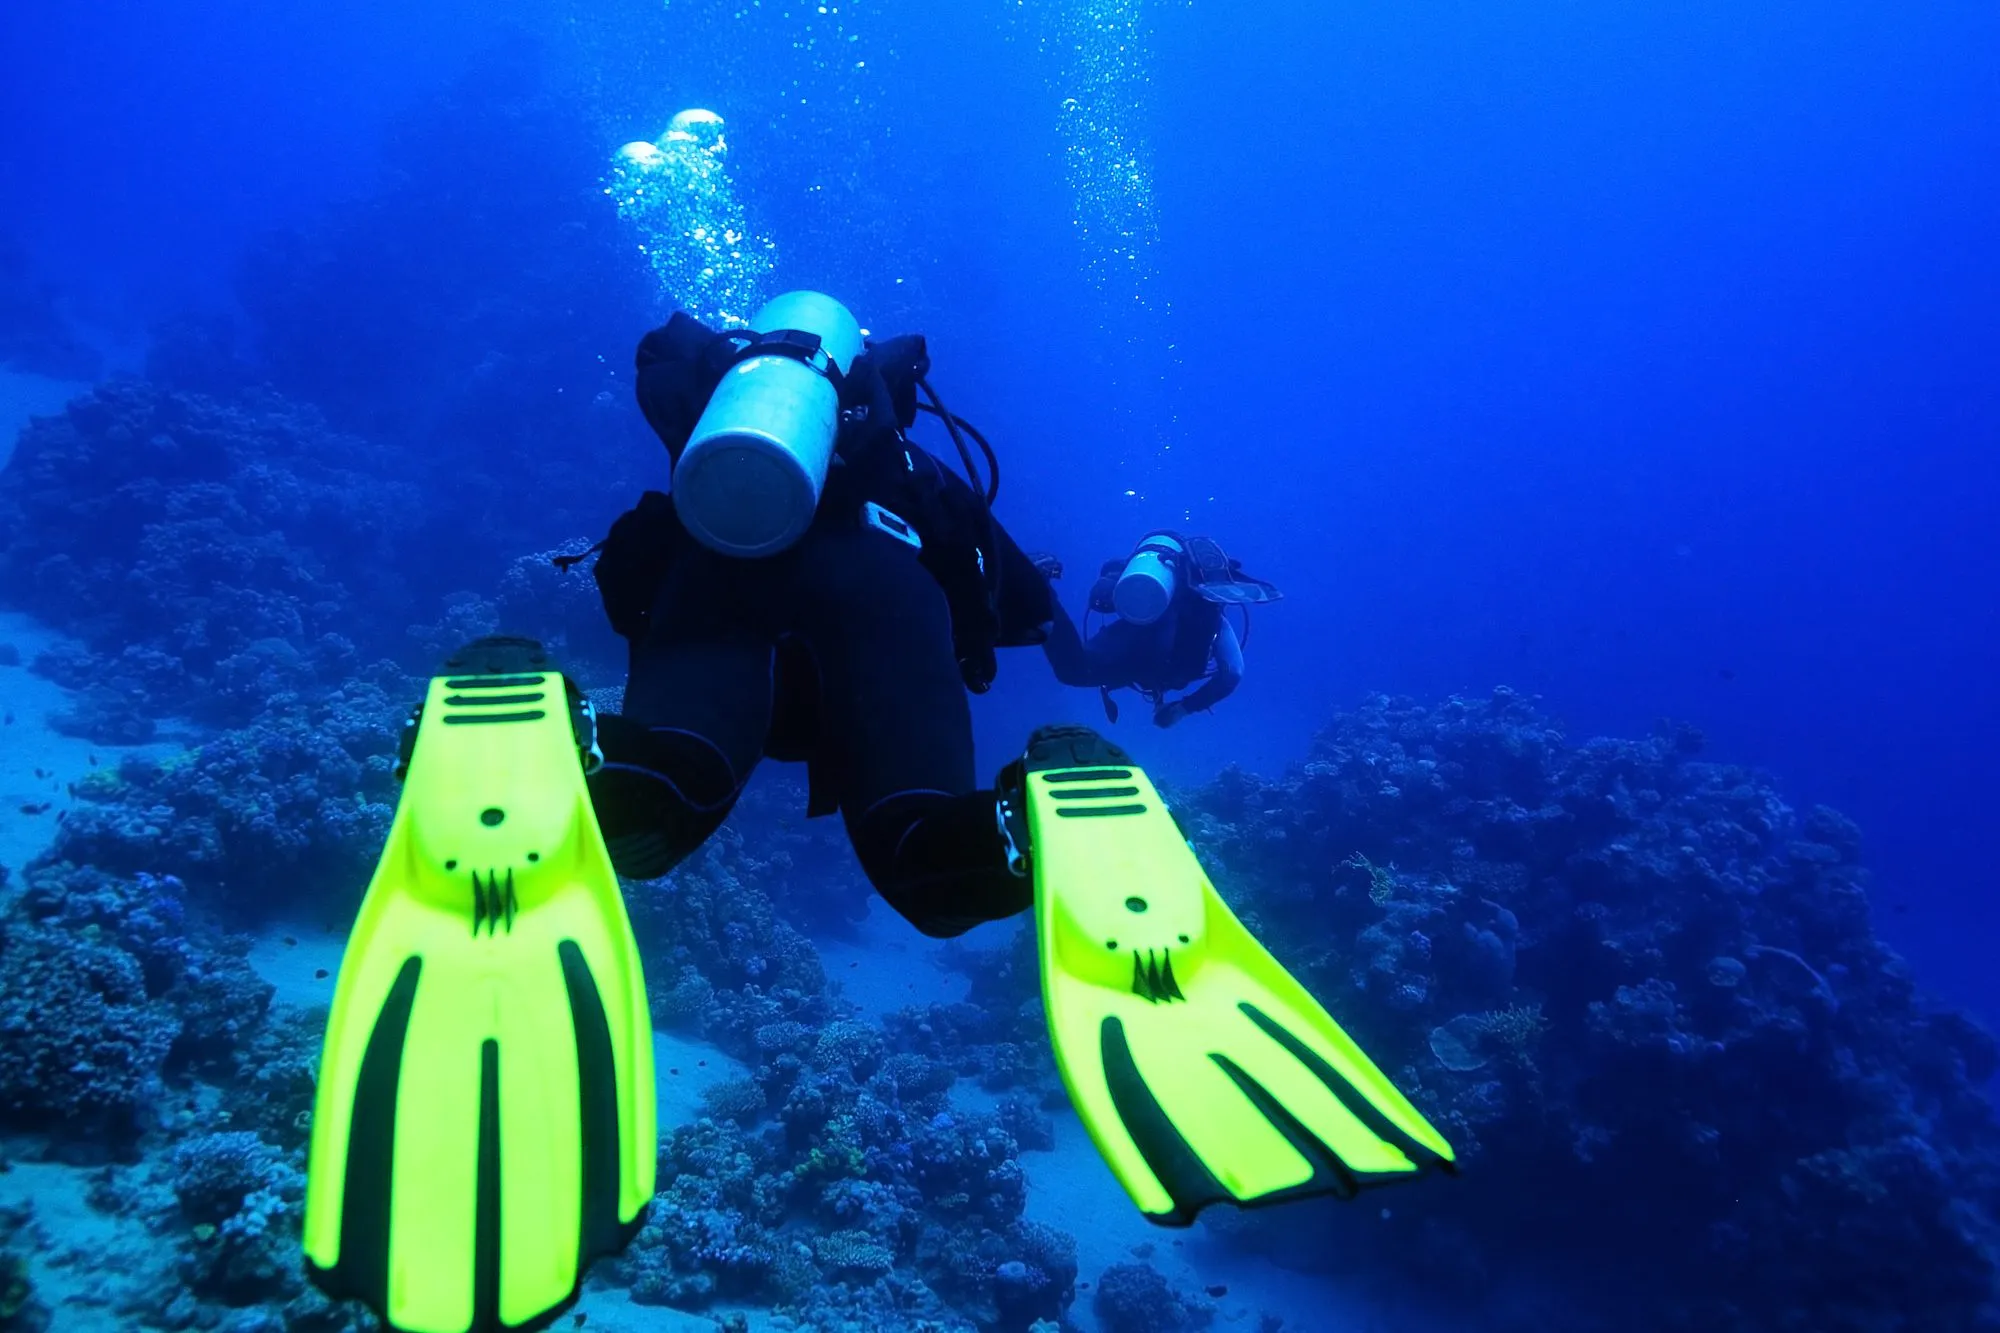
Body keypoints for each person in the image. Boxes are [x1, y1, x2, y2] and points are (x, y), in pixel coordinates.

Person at [297, 297, 1451, 1333]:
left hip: (713, 575)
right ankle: (1043, 813)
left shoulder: (722, 444)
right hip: (885, 581)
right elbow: (1009, 609)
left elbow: (628, 562)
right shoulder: (909, 465)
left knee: (650, 813)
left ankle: (546, 731)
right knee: (921, 864)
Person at [1040, 530, 1280, 727]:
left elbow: (1100, 601)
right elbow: (1232, 673)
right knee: (1071, 671)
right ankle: (1039, 591)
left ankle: (1039, 589)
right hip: (1147, 659)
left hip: (1133, 645)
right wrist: (1182, 710)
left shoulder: (1173, 607)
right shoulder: (1213, 618)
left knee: (1071, 669)